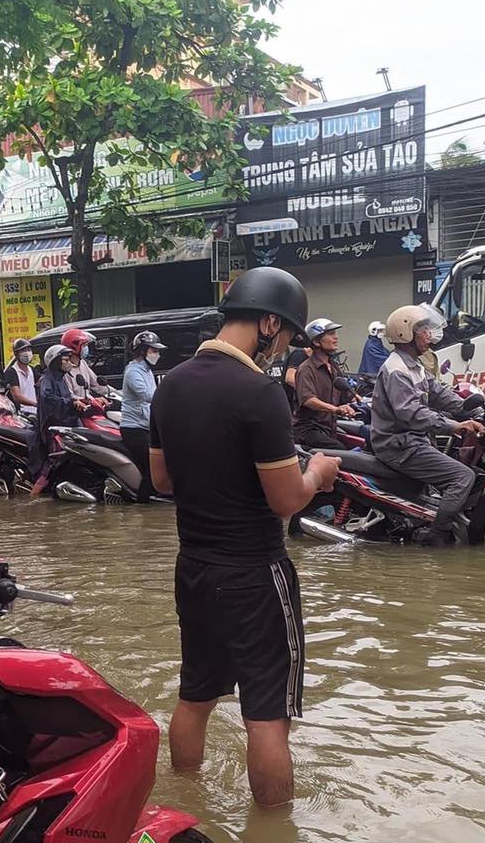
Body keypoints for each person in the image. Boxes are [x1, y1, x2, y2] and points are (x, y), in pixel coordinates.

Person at [148, 269, 341, 805]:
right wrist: (319, 473)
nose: (283, 348)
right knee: (267, 716)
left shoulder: (172, 385)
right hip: (255, 574)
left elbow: (161, 481)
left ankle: (187, 800)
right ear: (268, 322)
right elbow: (286, 500)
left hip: (194, 569)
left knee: (195, 697)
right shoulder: (260, 392)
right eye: (284, 337)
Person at [370, 305, 485, 547]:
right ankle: (436, 537)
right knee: (462, 477)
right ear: (406, 334)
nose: (428, 335)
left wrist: (471, 409)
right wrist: (454, 426)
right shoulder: (397, 370)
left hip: (415, 441)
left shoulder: (415, 365)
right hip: (399, 445)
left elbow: (439, 394)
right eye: (422, 330)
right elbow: (411, 413)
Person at [30, 344, 86, 497]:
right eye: (65, 360)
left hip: (65, 425)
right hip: (53, 429)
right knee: (55, 461)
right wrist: (71, 403)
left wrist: (81, 400)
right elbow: (49, 400)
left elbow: (67, 397)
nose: (69, 363)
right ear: (56, 362)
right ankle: (34, 494)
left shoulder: (61, 378)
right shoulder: (47, 380)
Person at [292, 320, 355, 450]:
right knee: (340, 450)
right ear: (316, 342)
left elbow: (346, 394)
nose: (336, 337)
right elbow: (308, 400)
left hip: (329, 427)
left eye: (335, 333)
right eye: (331, 334)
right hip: (309, 430)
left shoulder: (333, 366)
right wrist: (335, 409)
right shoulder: (306, 369)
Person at [120, 330, 165, 502]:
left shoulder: (146, 371)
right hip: (133, 428)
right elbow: (147, 395)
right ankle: (144, 504)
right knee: (150, 467)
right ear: (142, 351)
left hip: (145, 425)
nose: (157, 355)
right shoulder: (133, 371)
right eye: (154, 351)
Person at [61, 328, 108, 400]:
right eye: (84, 345)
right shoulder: (65, 370)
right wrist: (90, 400)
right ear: (74, 347)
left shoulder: (82, 363)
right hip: (76, 408)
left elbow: (96, 384)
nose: (86, 348)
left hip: (88, 406)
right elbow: (70, 396)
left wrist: (116, 393)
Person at [2, 338, 39, 411]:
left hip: (35, 412)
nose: (27, 353)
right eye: (23, 350)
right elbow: (16, 396)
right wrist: (35, 404)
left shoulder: (32, 370)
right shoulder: (11, 372)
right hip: (22, 414)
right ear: (16, 354)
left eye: (29, 350)